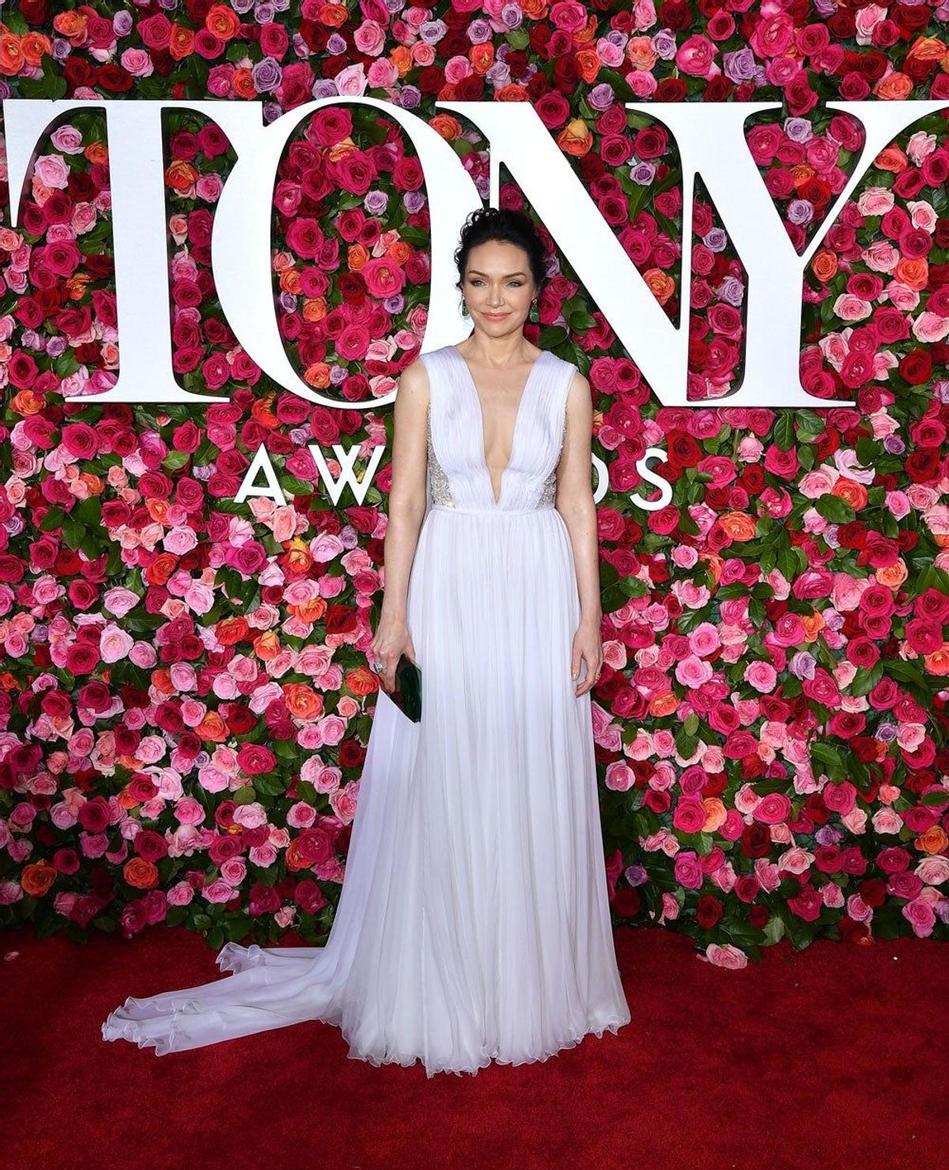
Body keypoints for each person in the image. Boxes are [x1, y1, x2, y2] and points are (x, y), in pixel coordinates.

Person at [101, 206, 631, 1077]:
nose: (494, 299)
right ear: (459, 287)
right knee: (447, 772)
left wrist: (589, 615)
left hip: (537, 592)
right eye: (477, 282)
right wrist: (394, 614)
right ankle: (443, 980)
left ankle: (525, 981)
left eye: (512, 282)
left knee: (525, 767)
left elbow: (576, 503)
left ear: (537, 289)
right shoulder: (425, 378)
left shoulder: (566, 384)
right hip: (450, 585)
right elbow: (407, 506)